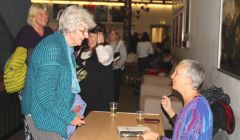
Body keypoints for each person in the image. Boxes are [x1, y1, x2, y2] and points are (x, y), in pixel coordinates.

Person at [21, 5, 96, 140]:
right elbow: (45, 94)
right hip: (41, 115)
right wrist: (68, 117)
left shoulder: (65, 47)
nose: (86, 36)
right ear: (70, 27)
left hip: (49, 111)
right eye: (83, 31)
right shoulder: (53, 49)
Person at [141, 59, 213, 140]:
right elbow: (183, 129)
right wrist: (170, 111)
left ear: (188, 80)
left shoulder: (196, 109)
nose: (172, 76)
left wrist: (157, 138)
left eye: (176, 73)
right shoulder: (193, 102)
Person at [76, 23, 114, 116]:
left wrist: (100, 44)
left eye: (92, 36)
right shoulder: (82, 49)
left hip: (100, 98)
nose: (89, 38)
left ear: (101, 36)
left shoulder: (107, 49)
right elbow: (77, 70)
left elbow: (103, 59)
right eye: (88, 35)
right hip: (83, 96)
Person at [108, 28, 127, 102]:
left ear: (116, 36)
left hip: (116, 70)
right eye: (110, 33)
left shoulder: (120, 44)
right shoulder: (107, 43)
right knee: (108, 88)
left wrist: (115, 65)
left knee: (115, 89)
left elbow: (123, 57)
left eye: (113, 34)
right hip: (108, 70)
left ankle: (114, 106)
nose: (111, 35)